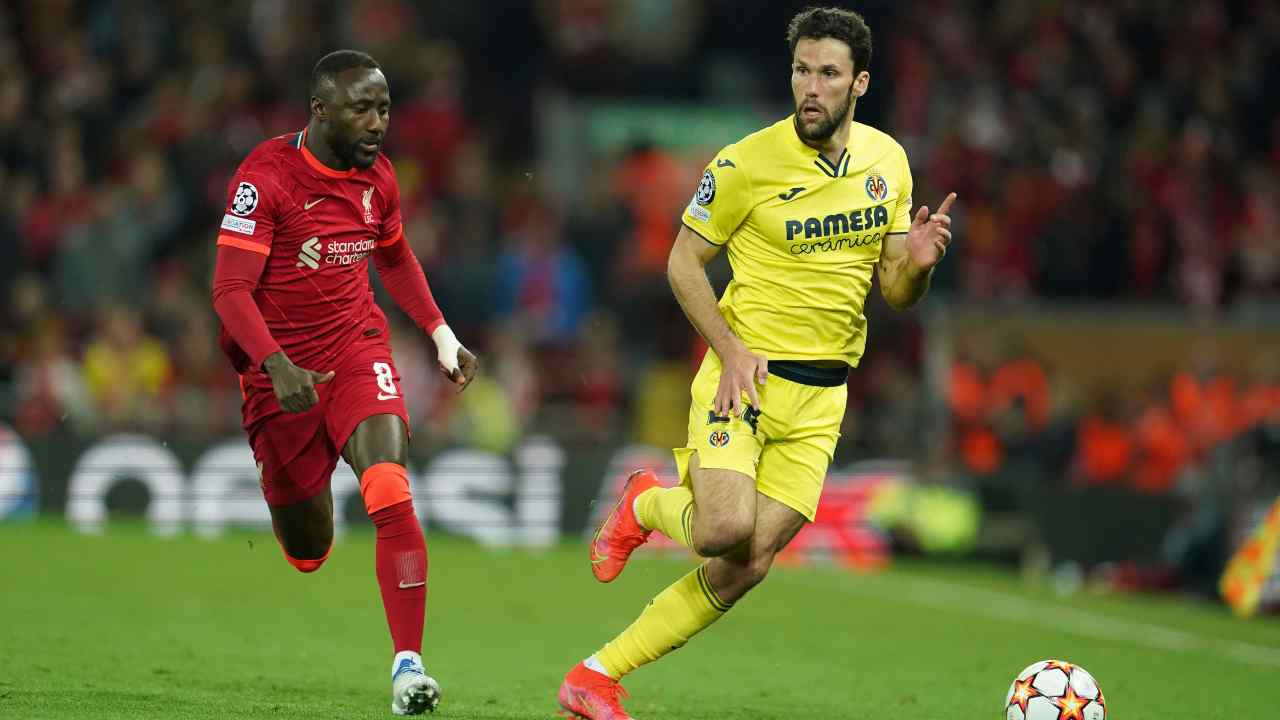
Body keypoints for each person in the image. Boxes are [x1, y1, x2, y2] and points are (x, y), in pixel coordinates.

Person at [557, 8, 956, 718]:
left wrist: (918, 265)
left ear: (859, 83)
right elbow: (682, 261)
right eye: (802, 70)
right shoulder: (744, 163)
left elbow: (895, 291)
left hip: (822, 398)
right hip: (743, 379)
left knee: (748, 564)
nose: (811, 86)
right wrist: (730, 348)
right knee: (720, 530)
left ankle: (596, 676)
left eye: (828, 73)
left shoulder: (887, 161)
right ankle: (645, 501)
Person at [210, 50, 477, 716]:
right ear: (321, 109)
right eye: (362, 109)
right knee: (309, 549)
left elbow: (395, 257)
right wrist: (275, 365)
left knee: (389, 486)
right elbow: (230, 290)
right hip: (280, 375)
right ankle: (304, 481)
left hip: (357, 350)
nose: (378, 123)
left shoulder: (378, 178)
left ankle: (409, 667)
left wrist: (441, 333)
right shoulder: (265, 178)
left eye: (384, 108)